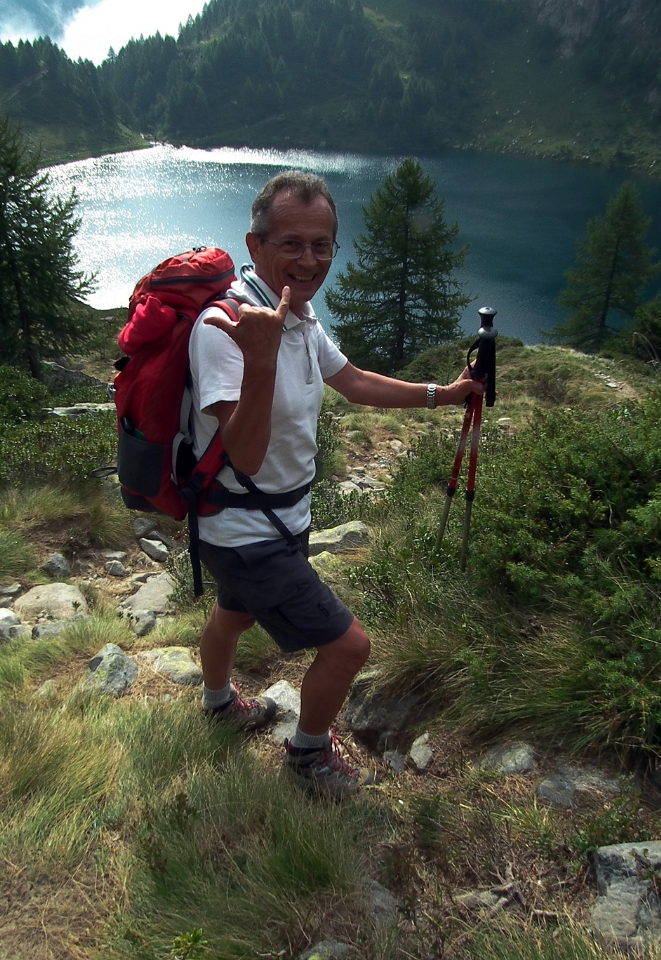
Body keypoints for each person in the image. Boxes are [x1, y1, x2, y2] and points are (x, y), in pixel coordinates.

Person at [188, 170, 483, 799]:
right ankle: (308, 757)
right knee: (348, 647)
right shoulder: (224, 327)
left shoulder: (298, 313)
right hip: (242, 524)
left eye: (322, 244)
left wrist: (444, 394)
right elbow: (242, 453)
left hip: (274, 520)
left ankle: (216, 704)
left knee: (233, 613)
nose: (309, 259)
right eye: (292, 243)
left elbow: (353, 381)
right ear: (255, 243)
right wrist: (261, 360)